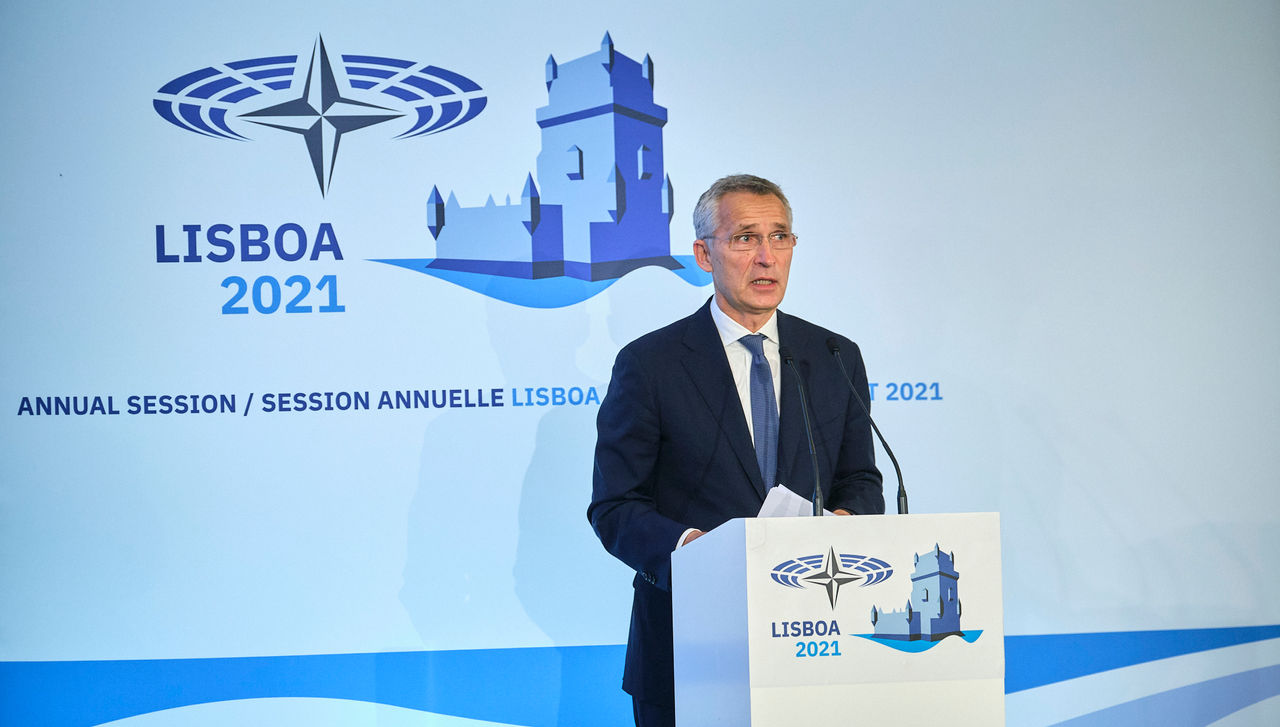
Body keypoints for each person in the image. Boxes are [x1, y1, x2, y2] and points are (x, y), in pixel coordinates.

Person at [588, 174, 884, 726]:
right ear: (705, 253)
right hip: (687, 647)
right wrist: (696, 552)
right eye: (745, 238)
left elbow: (861, 480)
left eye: (780, 237)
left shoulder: (834, 355)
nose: (766, 257)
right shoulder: (650, 364)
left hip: (816, 638)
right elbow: (616, 506)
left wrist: (845, 523)